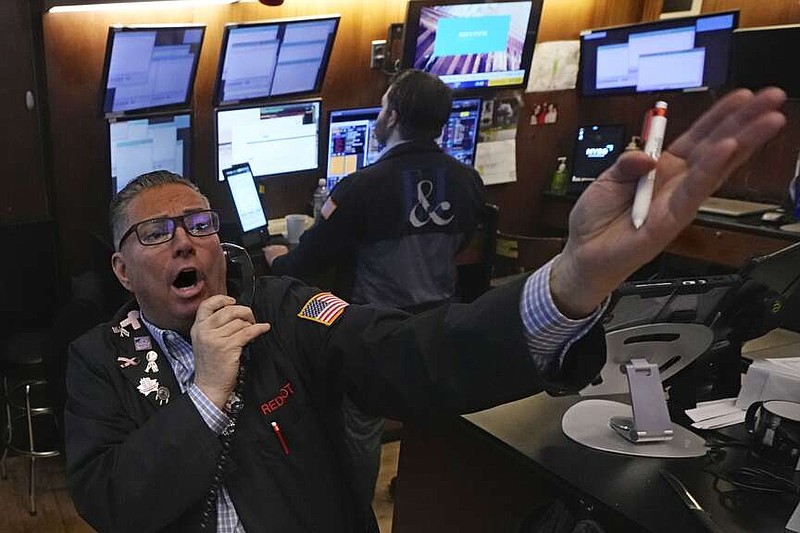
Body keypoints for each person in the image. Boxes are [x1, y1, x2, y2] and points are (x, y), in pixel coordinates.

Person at [64, 86, 787, 533]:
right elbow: (115, 503)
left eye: (198, 223)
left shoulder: (279, 310)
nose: (185, 240)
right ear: (123, 269)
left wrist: (571, 279)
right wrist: (207, 392)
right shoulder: (99, 360)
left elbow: (412, 353)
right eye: (156, 232)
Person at [263, 69, 487, 506]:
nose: (381, 114)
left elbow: (307, 263)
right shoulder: (466, 180)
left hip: (375, 331)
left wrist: (277, 258)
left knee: (360, 425)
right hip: (440, 324)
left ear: (394, 115)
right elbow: (464, 241)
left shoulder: (361, 187)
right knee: (428, 414)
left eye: (384, 106)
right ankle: (423, 497)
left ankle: (354, 510)